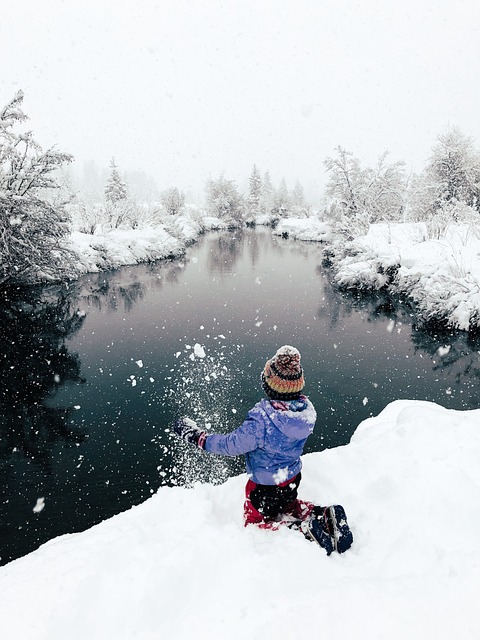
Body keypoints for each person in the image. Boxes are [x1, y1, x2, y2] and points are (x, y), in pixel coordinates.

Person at [174, 344, 352, 554]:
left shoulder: (262, 422)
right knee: (288, 505)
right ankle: (323, 514)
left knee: (255, 524)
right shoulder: (306, 413)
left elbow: (231, 445)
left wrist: (199, 437)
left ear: (270, 385)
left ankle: (299, 530)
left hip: (264, 488)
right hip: (291, 477)